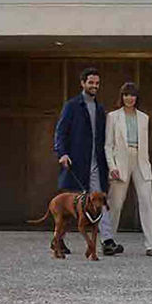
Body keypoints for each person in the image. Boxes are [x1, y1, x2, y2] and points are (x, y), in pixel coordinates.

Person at [53, 67, 123, 256]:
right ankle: (58, 241)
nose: (94, 86)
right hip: (76, 162)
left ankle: (107, 240)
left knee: (99, 201)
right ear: (83, 83)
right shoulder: (72, 106)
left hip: (96, 164)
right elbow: (60, 132)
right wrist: (62, 153)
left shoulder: (100, 109)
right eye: (91, 82)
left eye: (97, 83)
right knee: (69, 206)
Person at [105, 82, 152, 257]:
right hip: (120, 160)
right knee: (116, 203)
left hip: (141, 160)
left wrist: (147, 163)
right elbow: (108, 145)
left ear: (137, 98)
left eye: (132, 95)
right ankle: (107, 241)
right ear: (121, 97)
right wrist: (112, 166)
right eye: (126, 95)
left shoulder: (144, 117)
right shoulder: (113, 116)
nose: (129, 98)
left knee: (147, 201)